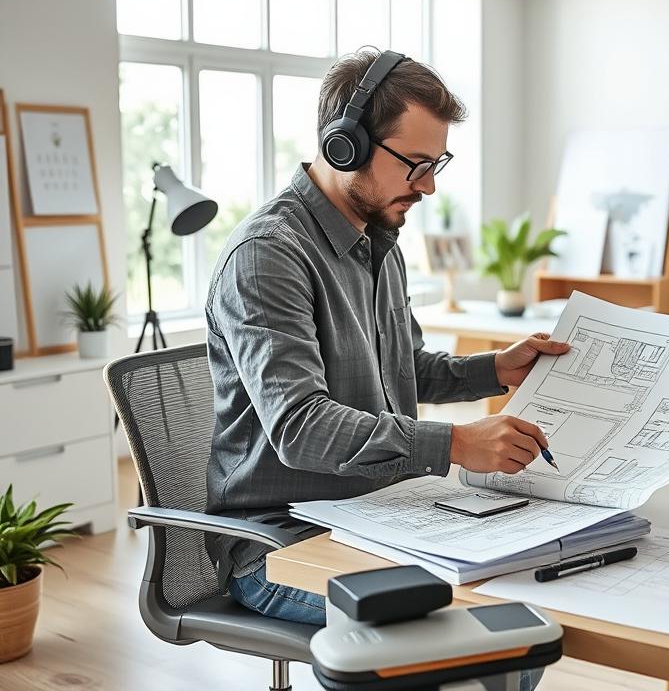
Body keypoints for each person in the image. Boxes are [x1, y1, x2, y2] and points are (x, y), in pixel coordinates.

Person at [205, 49, 569, 630]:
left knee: (520, 615)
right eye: (415, 164)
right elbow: (301, 429)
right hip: (283, 544)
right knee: (481, 630)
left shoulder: (379, 238)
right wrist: (453, 443)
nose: (427, 187)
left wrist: (496, 369)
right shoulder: (268, 257)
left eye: (437, 164)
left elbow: (403, 371)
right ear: (342, 145)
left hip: (383, 514)